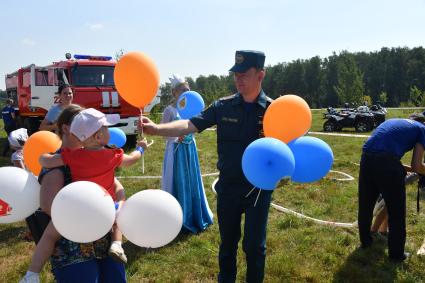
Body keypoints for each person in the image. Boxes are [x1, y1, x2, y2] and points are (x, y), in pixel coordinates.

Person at [141, 50, 273, 282]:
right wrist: (156, 129)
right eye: (236, 74)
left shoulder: (274, 111)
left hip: (258, 191)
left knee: (255, 247)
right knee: (227, 246)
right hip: (229, 188)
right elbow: (189, 124)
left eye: (245, 73)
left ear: (260, 74)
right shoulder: (223, 106)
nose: (238, 78)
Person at [20, 105, 140, 283]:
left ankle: (32, 273)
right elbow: (47, 205)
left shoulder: (74, 157)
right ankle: (32, 275)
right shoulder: (64, 161)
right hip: (74, 250)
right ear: (66, 129)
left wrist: (119, 200)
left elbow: (115, 185)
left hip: (102, 235)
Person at [358, 113, 425, 261]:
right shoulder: (422, 129)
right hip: (386, 161)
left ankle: (365, 243)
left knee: (365, 205)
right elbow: (416, 165)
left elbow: (389, 159)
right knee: (397, 212)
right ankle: (396, 255)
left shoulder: (394, 122)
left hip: (366, 157)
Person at [160, 74, 213, 233]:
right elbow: (163, 133)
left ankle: (195, 213)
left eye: (188, 89)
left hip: (190, 150)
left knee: (192, 181)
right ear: (175, 93)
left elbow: (195, 127)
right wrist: (177, 136)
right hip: (176, 152)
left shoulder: (190, 108)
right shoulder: (170, 110)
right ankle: (178, 217)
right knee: (179, 181)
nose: (186, 93)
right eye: (183, 90)